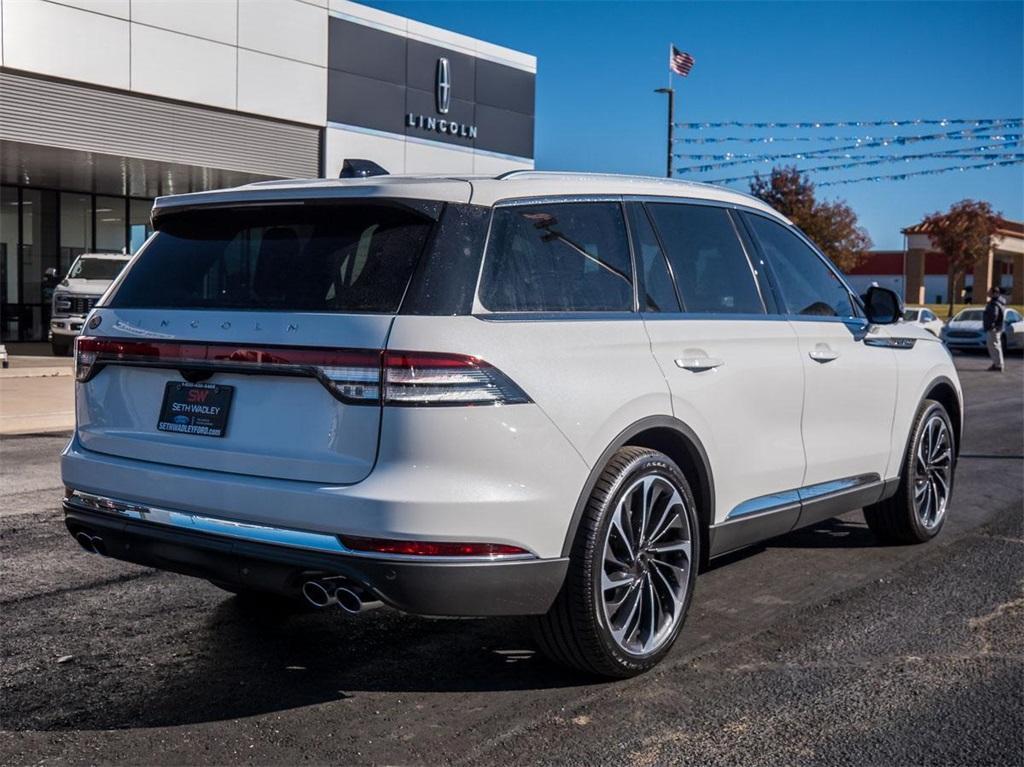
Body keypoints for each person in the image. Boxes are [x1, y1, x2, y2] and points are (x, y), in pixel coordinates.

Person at [982, 287, 1007, 372]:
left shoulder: (994, 303)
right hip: (997, 327)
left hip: (994, 328)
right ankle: (997, 363)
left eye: (990, 292)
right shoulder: (999, 302)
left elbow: (994, 314)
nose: (989, 293)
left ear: (995, 293)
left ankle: (998, 365)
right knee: (995, 346)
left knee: (994, 346)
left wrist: (991, 325)